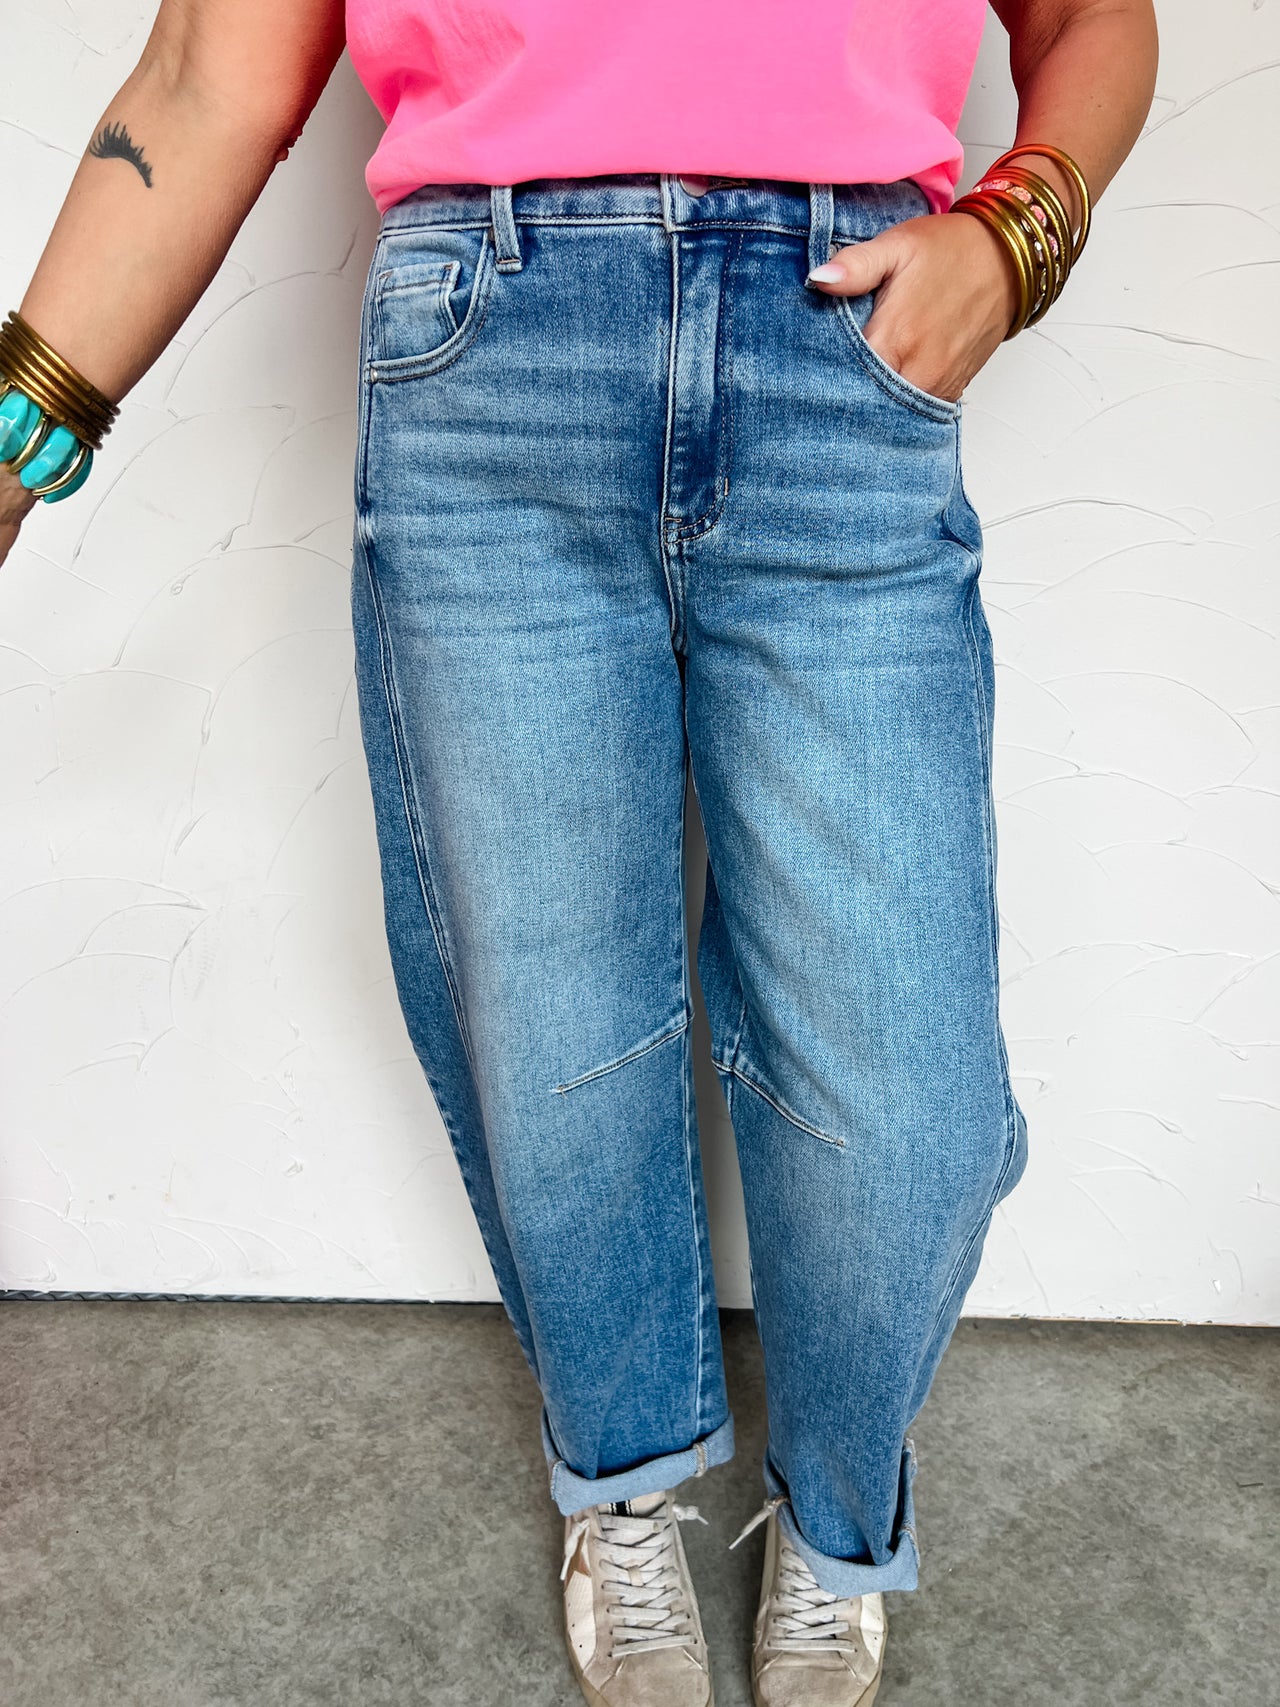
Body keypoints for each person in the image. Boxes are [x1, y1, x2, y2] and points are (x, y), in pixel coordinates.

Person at [0, 1, 1159, 1701]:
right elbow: (203, 76)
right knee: (552, 1034)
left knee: (905, 1109)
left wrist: (1019, 231)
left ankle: (838, 1521)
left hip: (844, 348)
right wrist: (14, 438)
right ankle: (620, 1478)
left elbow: (1094, 19)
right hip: (494, 360)